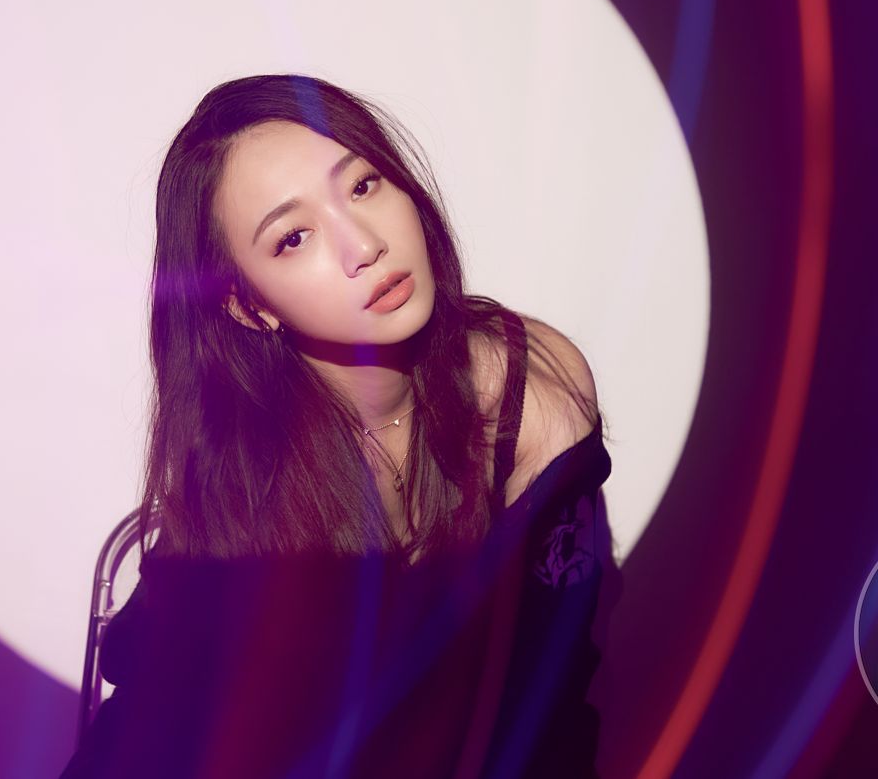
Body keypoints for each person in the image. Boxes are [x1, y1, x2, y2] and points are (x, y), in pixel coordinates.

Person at [61, 74, 616, 778]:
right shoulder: (246, 473)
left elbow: (548, 699)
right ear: (249, 306)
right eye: (294, 237)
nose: (363, 245)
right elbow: (162, 725)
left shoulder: (528, 386)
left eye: (362, 185)